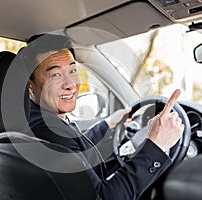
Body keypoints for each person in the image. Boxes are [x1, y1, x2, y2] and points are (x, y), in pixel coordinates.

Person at [23, 33, 184, 200]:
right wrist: (156, 144)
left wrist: (108, 124)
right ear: (30, 85)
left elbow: (74, 152)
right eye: (55, 75)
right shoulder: (47, 132)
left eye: (72, 71)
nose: (70, 84)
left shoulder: (35, 122)